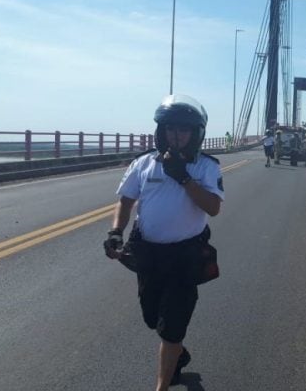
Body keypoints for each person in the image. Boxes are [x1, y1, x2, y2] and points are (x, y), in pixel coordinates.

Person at [103, 94, 224, 391]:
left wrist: (183, 177)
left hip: (185, 256)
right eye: (170, 128)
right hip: (148, 254)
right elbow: (126, 200)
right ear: (161, 131)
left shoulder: (206, 167)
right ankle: (178, 354)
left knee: (171, 328)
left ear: (195, 133)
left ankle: (162, 383)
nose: (176, 135)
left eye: (184, 129)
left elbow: (213, 207)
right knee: (152, 318)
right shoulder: (144, 163)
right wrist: (116, 231)